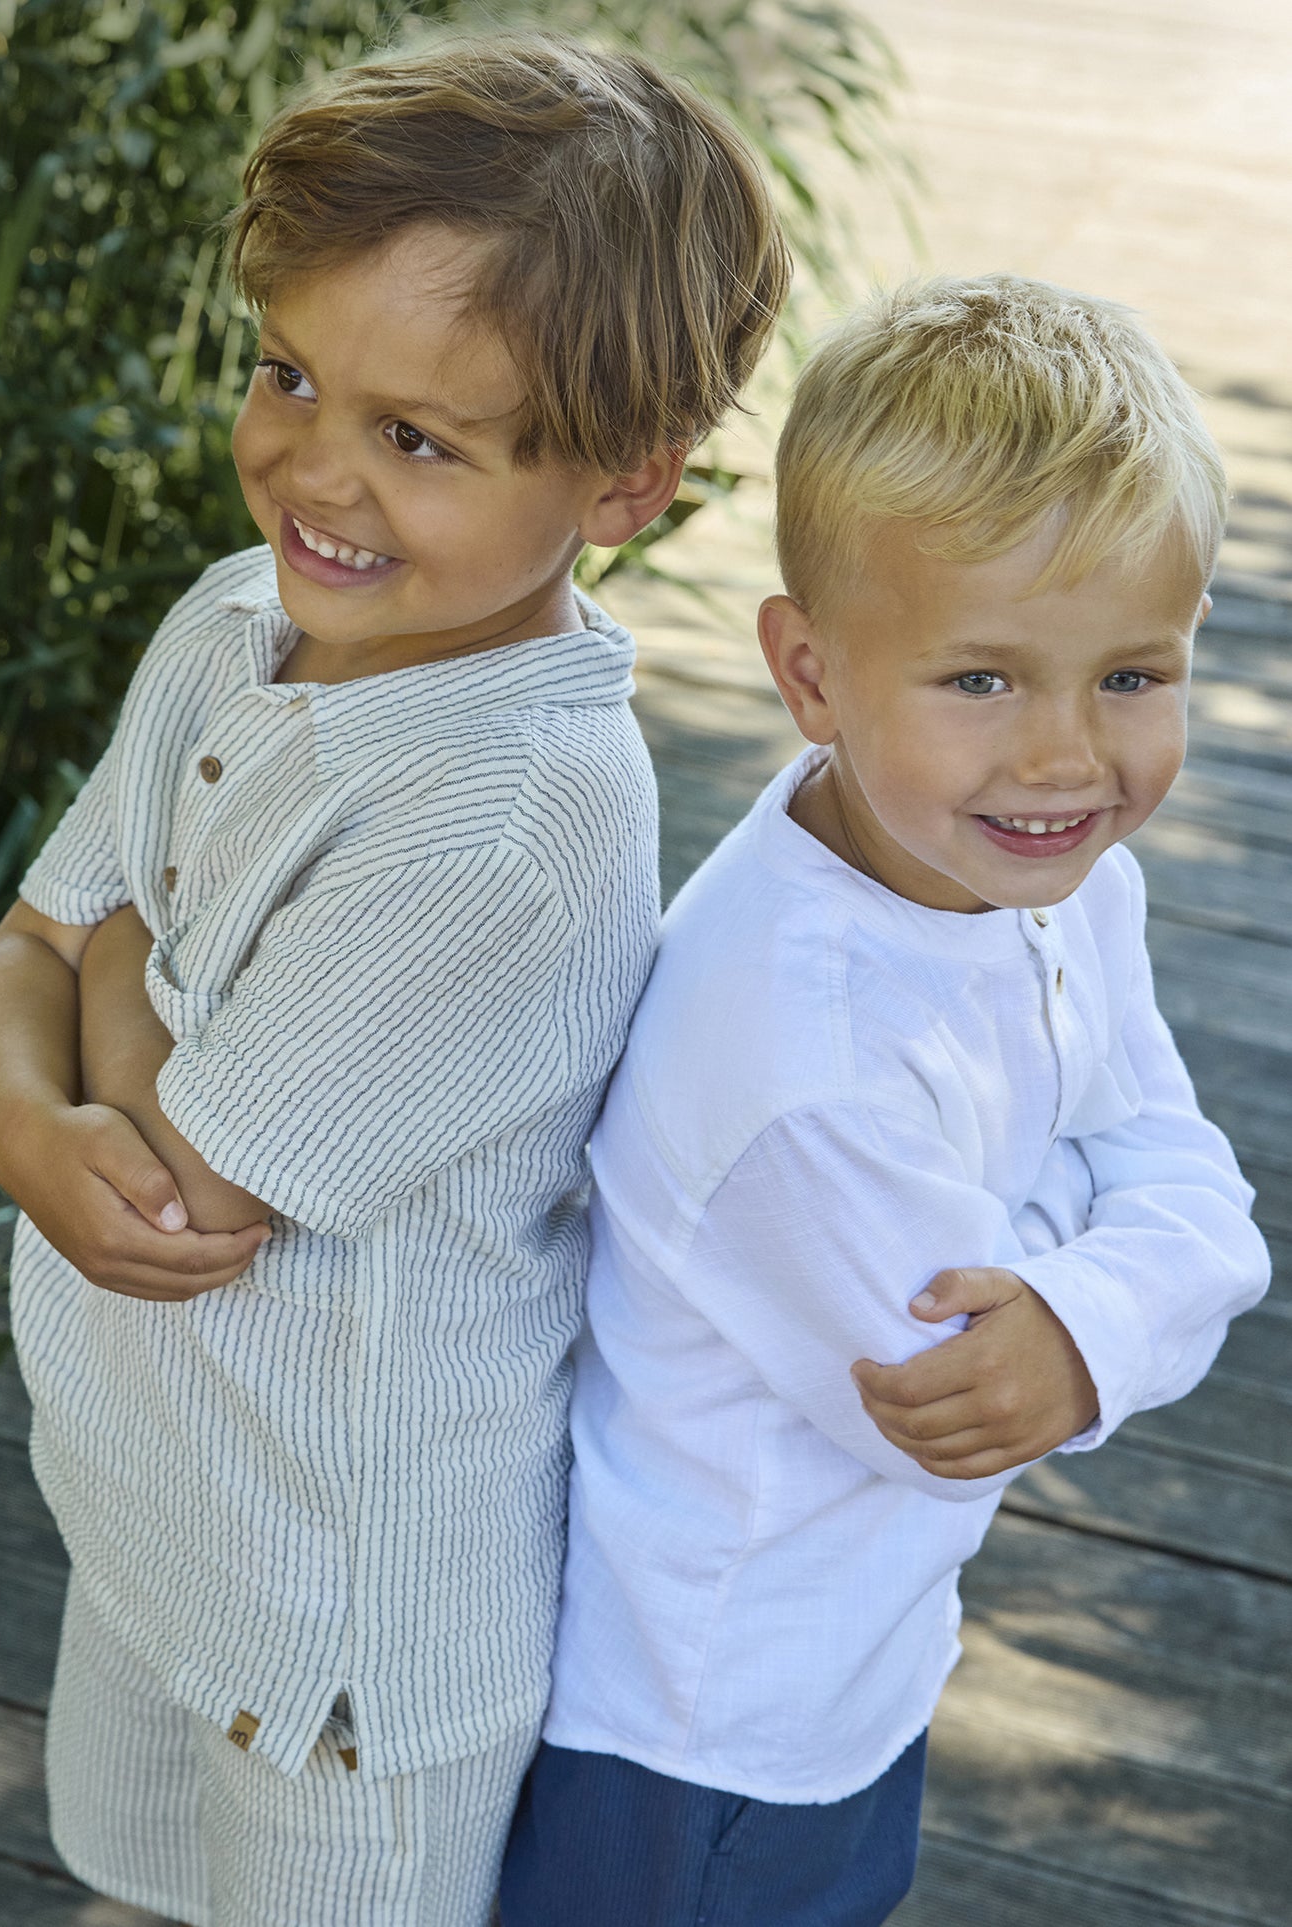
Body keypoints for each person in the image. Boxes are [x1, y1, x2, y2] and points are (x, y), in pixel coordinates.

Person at [0, 33, 789, 1927]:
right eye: (288, 375)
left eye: (418, 440)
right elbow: (33, 938)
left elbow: (189, 1188)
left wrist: (105, 966)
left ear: (625, 484)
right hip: (156, 1506)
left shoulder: (511, 821)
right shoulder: (235, 612)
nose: (312, 470)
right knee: (139, 1877)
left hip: (346, 1630)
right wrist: (24, 1117)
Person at [498, 274, 1271, 1927]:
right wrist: (1124, 1261)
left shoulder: (1049, 876)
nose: (1064, 758)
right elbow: (946, 1413)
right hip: (708, 1719)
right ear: (809, 671)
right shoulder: (803, 1056)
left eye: (1130, 676)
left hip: (865, 1652)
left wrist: (1076, 1303)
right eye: (980, 681)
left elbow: (1180, 1176)